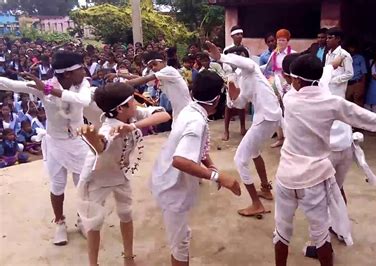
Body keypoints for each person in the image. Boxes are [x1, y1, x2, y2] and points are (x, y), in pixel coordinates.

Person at [273, 54, 376, 266]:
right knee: (321, 236)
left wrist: (328, 67)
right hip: (313, 180)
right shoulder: (333, 103)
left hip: (285, 177)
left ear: (296, 81)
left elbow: (320, 75)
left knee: (281, 232)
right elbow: (373, 120)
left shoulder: (290, 99)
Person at [0, 50, 92, 245]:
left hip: (78, 141)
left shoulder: (82, 84)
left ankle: (82, 218)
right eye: (81, 69)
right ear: (67, 73)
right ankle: (60, 223)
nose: (84, 71)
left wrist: (48, 90)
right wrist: (44, 88)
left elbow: (84, 101)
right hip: (56, 142)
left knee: (83, 184)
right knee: (57, 186)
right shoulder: (43, 86)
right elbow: (9, 83)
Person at [151, 70, 241, 266]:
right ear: (218, 100)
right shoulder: (196, 121)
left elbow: (196, 146)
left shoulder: (190, 110)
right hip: (172, 188)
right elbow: (181, 160)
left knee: (181, 238)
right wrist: (219, 177)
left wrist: (210, 164)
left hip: (167, 181)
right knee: (180, 245)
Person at [77, 82, 170, 266]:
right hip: (97, 178)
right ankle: (92, 263)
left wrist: (133, 126)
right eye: (133, 100)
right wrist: (93, 138)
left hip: (120, 175)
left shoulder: (132, 116)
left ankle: (129, 257)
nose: (136, 103)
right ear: (121, 108)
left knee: (126, 214)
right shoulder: (109, 128)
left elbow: (165, 115)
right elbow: (101, 146)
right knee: (94, 223)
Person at [208, 41, 282, 217]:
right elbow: (241, 103)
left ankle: (256, 204)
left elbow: (244, 62)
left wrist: (220, 56)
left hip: (267, 116)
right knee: (254, 152)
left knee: (240, 159)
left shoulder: (251, 67)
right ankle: (265, 189)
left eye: (233, 59)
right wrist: (232, 90)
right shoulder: (239, 76)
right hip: (266, 116)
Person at [324, 28, 354, 204]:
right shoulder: (329, 54)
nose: (328, 40)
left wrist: (333, 80)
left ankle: (344, 145)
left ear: (338, 39)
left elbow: (349, 74)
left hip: (337, 91)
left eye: (330, 37)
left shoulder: (344, 55)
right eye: (327, 37)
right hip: (329, 92)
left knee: (340, 120)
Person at [221, 46, 248, 141]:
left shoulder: (245, 49)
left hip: (242, 78)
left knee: (242, 103)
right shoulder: (227, 50)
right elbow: (226, 67)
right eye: (237, 34)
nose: (239, 36)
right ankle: (226, 131)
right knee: (229, 105)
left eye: (241, 34)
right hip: (231, 77)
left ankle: (243, 128)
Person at [345, 39, 368, 107]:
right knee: (348, 104)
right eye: (350, 47)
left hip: (358, 83)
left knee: (358, 104)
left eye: (353, 47)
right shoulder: (345, 58)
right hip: (349, 83)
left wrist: (362, 86)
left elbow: (364, 73)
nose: (351, 49)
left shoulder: (360, 58)